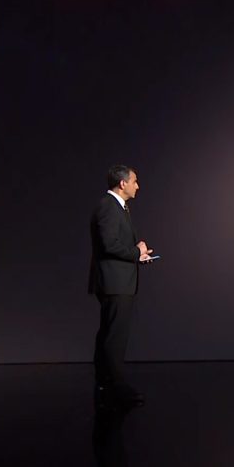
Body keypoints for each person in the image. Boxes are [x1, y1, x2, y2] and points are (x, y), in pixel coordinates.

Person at [89, 165, 152, 406]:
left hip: (118, 281)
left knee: (110, 333)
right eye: (134, 181)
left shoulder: (119, 207)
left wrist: (138, 256)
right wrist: (136, 252)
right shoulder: (108, 206)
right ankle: (114, 386)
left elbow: (116, 244)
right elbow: (109, 244)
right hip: (114, 282)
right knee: (115, 337)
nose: (138, 186)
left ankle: (105, 383)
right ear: (122, 183)